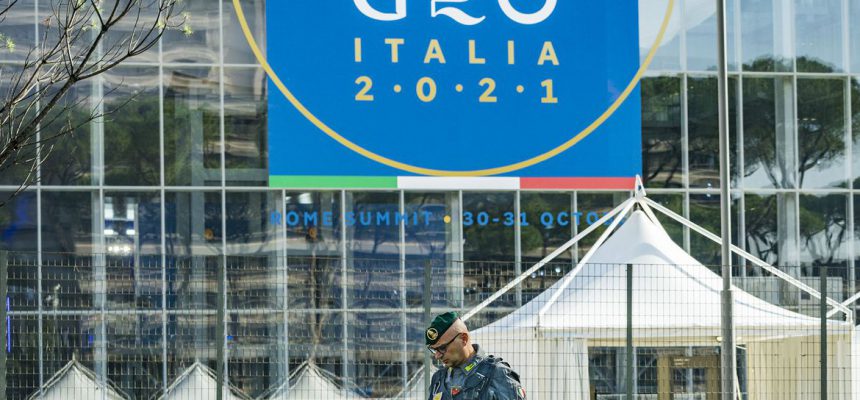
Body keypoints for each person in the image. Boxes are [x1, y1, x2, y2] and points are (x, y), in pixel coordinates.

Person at [425, 311, 526, 400]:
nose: (437, 356)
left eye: (442, 348)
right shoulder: (438, 379)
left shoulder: (497, 374)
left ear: (463, 339)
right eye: (434, 350)